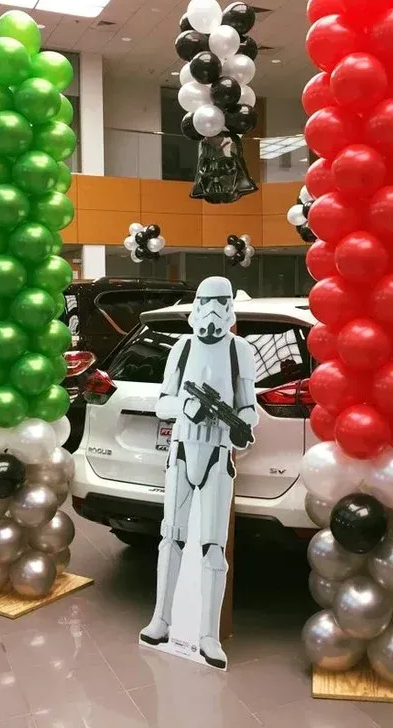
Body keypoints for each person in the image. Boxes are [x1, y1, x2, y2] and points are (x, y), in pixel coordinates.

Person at [140, 276, 257, 668]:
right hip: (182, 450)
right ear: (196, 304)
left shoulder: (240, 351)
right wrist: (187, 409)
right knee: (170, 536)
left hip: (219, 454)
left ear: (229, 306)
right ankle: (161, 619)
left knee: (213, 546)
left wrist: (242, 425)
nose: (212, 309)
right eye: (206, 300)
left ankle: (207, 634)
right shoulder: (182, 347)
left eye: (220, 301)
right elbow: (162, 403)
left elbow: (248, 405)